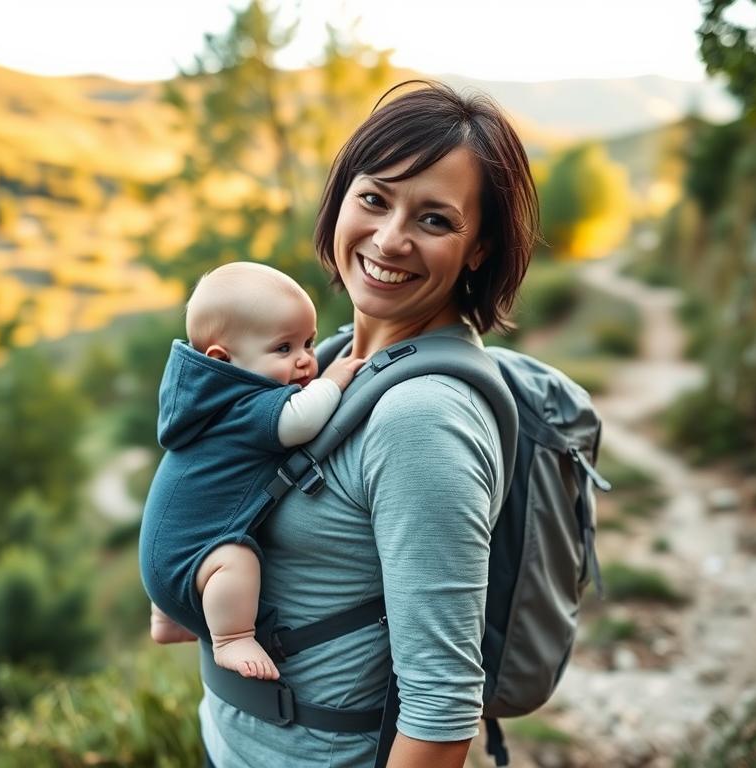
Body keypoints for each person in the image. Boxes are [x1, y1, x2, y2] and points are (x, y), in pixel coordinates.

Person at [177, 80, 538, 768]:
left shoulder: (420, 420)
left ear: (481, 247)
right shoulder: (336, 359)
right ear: (341, 197)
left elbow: (440, 710)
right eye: (374, 199)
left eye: (435, 220)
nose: (390, 238)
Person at [139, 261, 365, 681]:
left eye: (309, 344)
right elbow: (300, 421)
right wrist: (331, 381)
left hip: (161, 558)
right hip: (196, 566)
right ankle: (232, 638)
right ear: (223, 358)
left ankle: (170, 619)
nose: (304, 361)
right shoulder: (246, 405)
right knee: (236, 558)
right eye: (284, 349)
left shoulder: (204, 404)